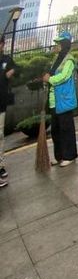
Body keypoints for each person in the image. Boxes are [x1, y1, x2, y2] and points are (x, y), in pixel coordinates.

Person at [41, 31, 78, 167]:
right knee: (56, 130)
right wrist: (46, 78)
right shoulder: (57, 59)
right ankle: (59, 156)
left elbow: (64, 76)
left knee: (66, 128)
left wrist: (49, 79)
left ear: (65, 44)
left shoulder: (69, 60)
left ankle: (70, 155)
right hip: (54, 100)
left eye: (59, 43)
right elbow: (51, 74)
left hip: (64, 100)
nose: (56, 46)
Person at [0, 36, 16, 187]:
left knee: (0, 136)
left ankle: (0, 167)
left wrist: (10, 73)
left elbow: (15, 69)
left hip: (1, 105)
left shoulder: (6, 59)